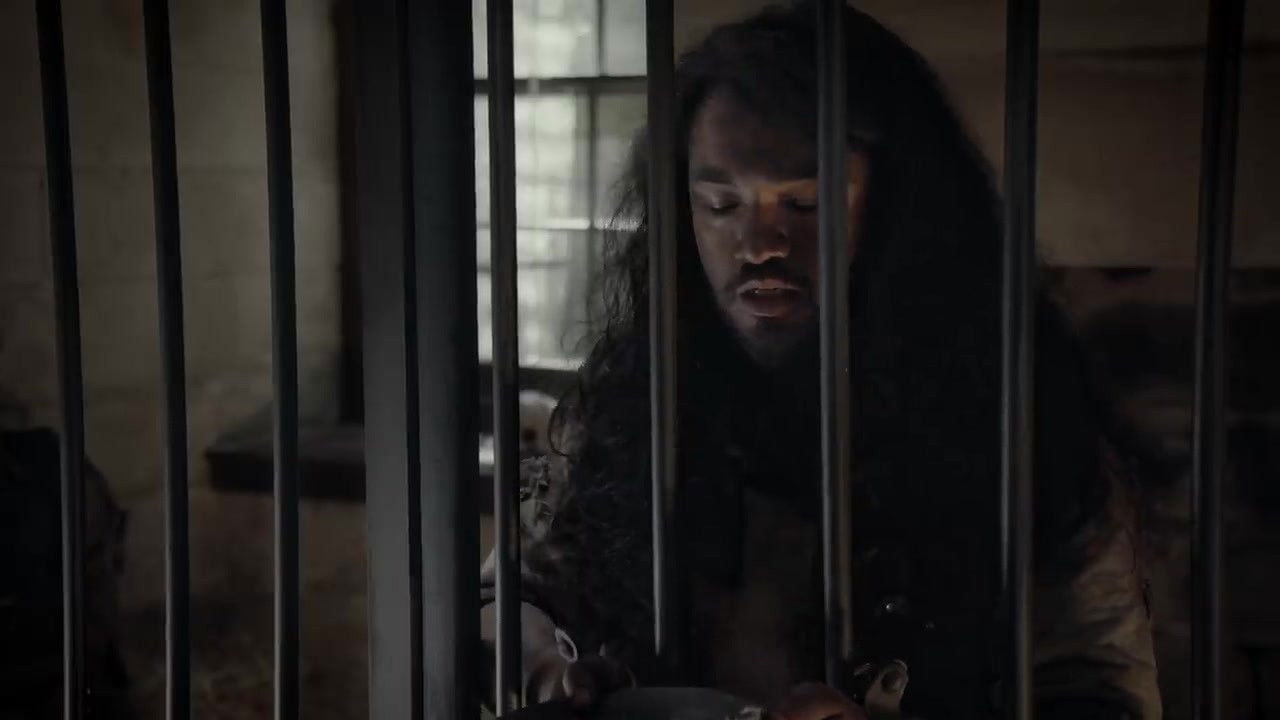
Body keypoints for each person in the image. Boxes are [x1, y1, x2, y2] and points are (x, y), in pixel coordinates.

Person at [481, 3, 1160, 718]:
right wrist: (542, 665)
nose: (758, 244)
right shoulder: (630, 405)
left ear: (898, 207)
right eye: (720, 205)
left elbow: (1103, 695)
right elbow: (508, 593)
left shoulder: (1024, 432)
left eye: (804, 204)